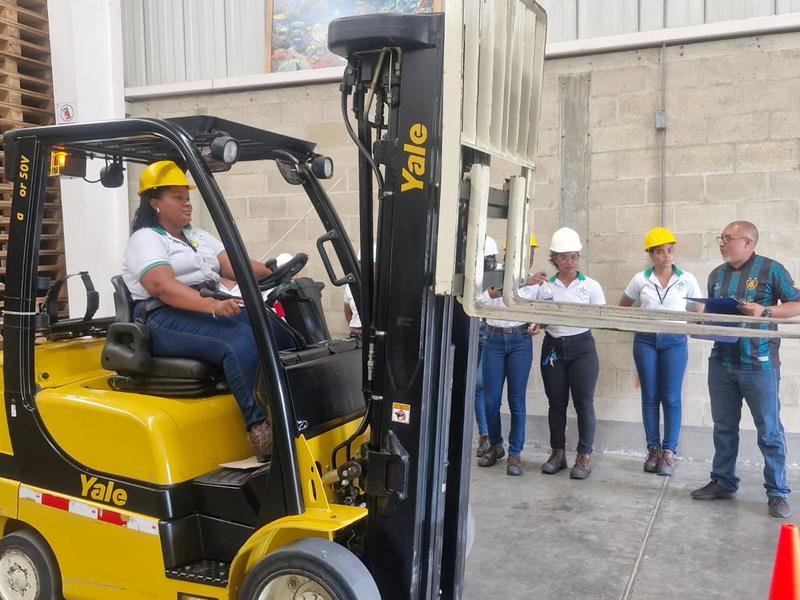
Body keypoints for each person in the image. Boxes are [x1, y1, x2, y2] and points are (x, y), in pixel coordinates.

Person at [122, 160, 276, 458]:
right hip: (162, 317)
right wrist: (213, 306)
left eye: (187, 197)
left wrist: (277, 272)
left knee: (275, 331)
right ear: (155, 202)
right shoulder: (145, 239)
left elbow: (235, 265)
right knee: (239, 342)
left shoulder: (197, 236)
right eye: (177, 197)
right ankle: (260, 430)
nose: (187, 204)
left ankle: (289, 408)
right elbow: (162, 287)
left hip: (204, 306)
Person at [690, 221, 800, 518]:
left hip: (759, 365)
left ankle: (777, 492)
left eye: (728, 238)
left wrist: (766, 311)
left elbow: (797, 303)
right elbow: (713, 317)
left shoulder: (771, 270)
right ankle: (723, 481)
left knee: (769, 430)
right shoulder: (716, 275)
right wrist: (699, 315)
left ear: (748, 243)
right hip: (722, 363)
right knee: (723, 427)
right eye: (721, 238)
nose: (722, 243)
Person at [619, 227, 703, 476]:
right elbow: (623, 306)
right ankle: (653, 450)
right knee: (650, 396)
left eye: (669, 250)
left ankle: (669, 451)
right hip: (645, 341)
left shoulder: (686, 279)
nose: (667, 256)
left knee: (672, 397)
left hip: (674, 341)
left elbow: (699, 308)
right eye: (660, 252)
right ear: (651, 255)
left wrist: (687, 327)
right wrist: (639, 323)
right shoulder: (640, 279)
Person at [538, 227, 605, 480]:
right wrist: (538, 324)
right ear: (554, 258)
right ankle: (557, 453)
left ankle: (584, 456)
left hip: (582, 348)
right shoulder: (545, 286)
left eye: (574, 256)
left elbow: (600, 316)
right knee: (556, 404)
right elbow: (540, 317)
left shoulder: (591, 286)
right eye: (563, 257)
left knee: (584, 404)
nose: (569, 262)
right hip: (553, 348)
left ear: (579, 257)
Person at [477, 234, 544, 476]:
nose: (530, 255)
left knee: (517, 400)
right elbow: (480, 300)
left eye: (532, 251)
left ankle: (515, 454)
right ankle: (496, 445)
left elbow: (544, 309)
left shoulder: (538, 283)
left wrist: (539, 323)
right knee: (491, 401)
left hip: (519, 341)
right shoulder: (493, 275)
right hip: (493, 338)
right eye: (525, 250)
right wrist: (511, 286)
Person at [474, 236, 500, 457]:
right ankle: (485, 435)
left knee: (481, 384)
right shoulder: (470, 276)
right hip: (473, 329)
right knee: (476, 387)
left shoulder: (496, 276)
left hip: (489, 331)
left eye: (489, 260)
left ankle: (491, 437)